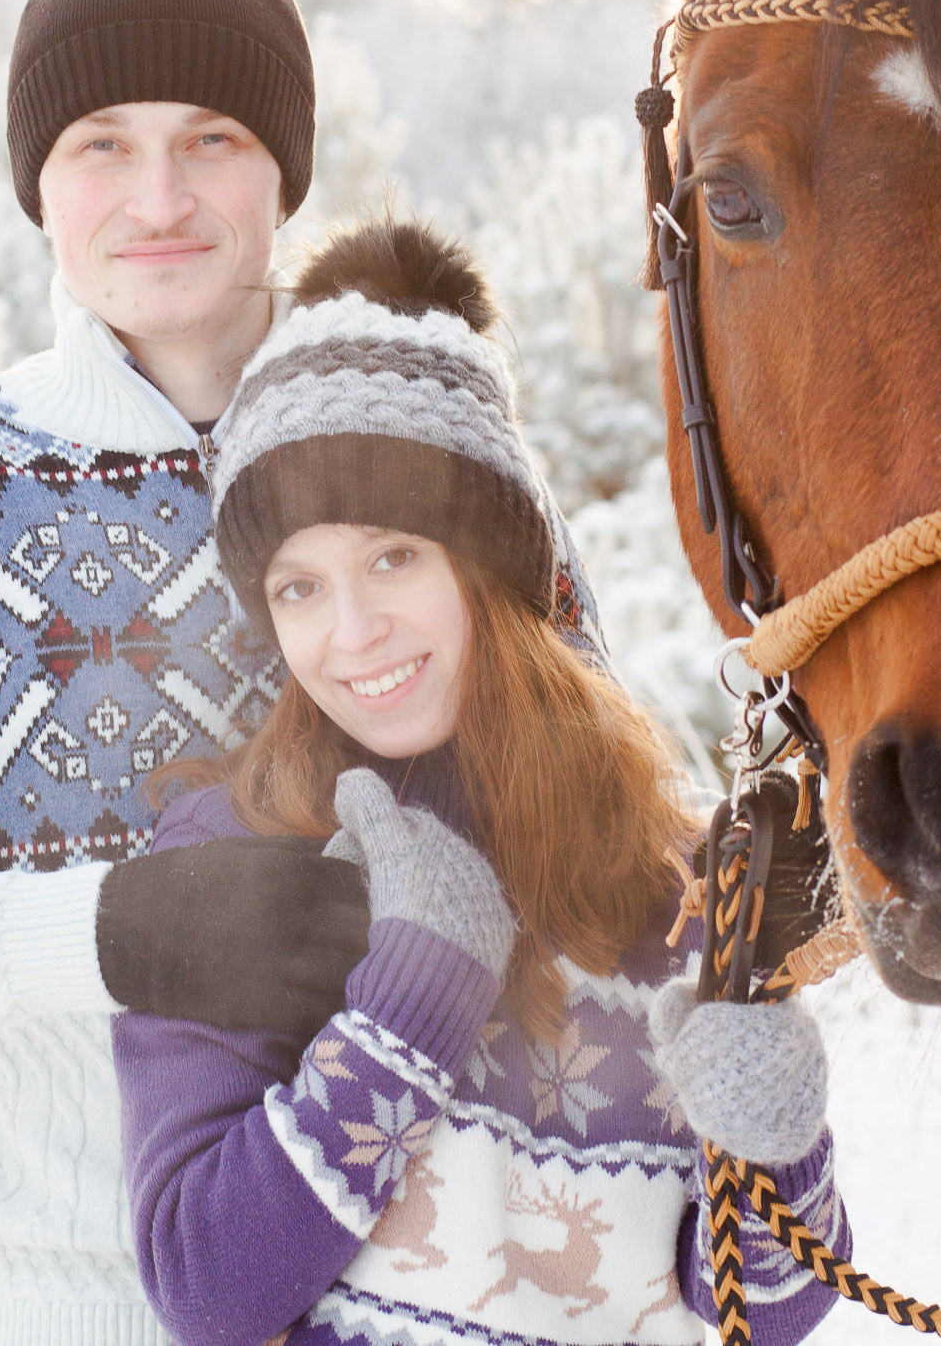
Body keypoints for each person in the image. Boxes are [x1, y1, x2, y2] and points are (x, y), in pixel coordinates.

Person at [0, 0, 607, 1345]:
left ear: (282, 169)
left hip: (466, 1285)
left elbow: (601, 828)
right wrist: (115, 933)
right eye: (101, 144)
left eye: (212, 137)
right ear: (37, 185)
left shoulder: (428, 441)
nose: (159, 196)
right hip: (79, 1301)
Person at [115, 217, 849, 1346]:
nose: (350, 633)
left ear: (490, 569)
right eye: (298, 586)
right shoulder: (230, 851)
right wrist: (410, 1001)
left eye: (391, 556)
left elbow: (766, 1308)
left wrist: (774, 1130)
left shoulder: (669, 879)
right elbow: (204, 1286)